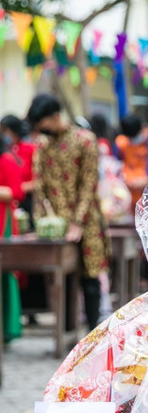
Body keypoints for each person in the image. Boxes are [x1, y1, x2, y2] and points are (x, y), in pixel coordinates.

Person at [28, 94, 110, 332]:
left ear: (56, 116)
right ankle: (64, 336)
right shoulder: (42, 145)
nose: (41, 129)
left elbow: (88, 184)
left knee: (90, 277)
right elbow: (39, 184)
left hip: (87, 221)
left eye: (43, 123)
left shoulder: (85, 140)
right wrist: (42, 219)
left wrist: (78, 221)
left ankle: (92, 335)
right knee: (59, 280)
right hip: (54, 223)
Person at [0, 134, 25, 343]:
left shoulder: (6, 160)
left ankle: (8, 328)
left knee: (6, 274)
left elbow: (16, 192)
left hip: (3, 222)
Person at [1, 115, 36, 221]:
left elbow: (39, 178)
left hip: (28, 200)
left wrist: (17, 188)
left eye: (5, 131)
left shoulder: (30, 149)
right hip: (9, 202)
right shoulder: (5, 152)